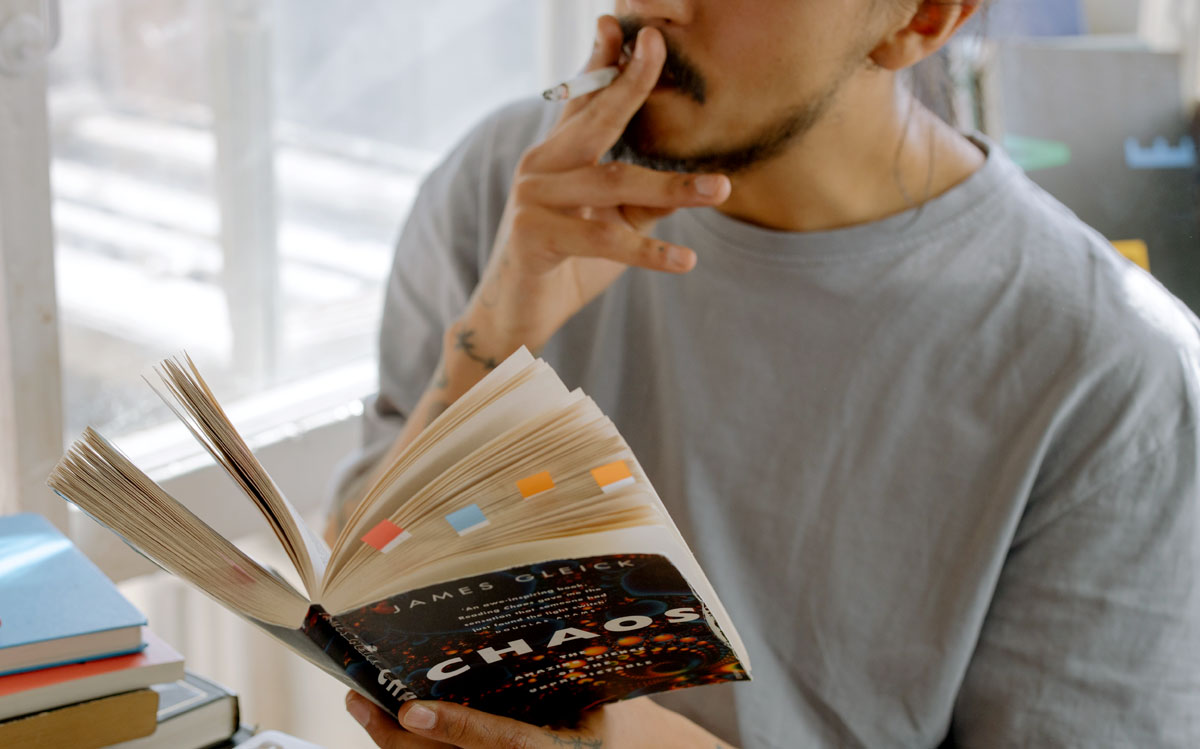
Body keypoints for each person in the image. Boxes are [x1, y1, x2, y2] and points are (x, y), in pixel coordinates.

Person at [325, 1, 1200, 747]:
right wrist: (500, 325)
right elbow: (363, 571)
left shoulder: (1116, 380)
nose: (651, 6)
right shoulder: (515, 180)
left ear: (922, 17)